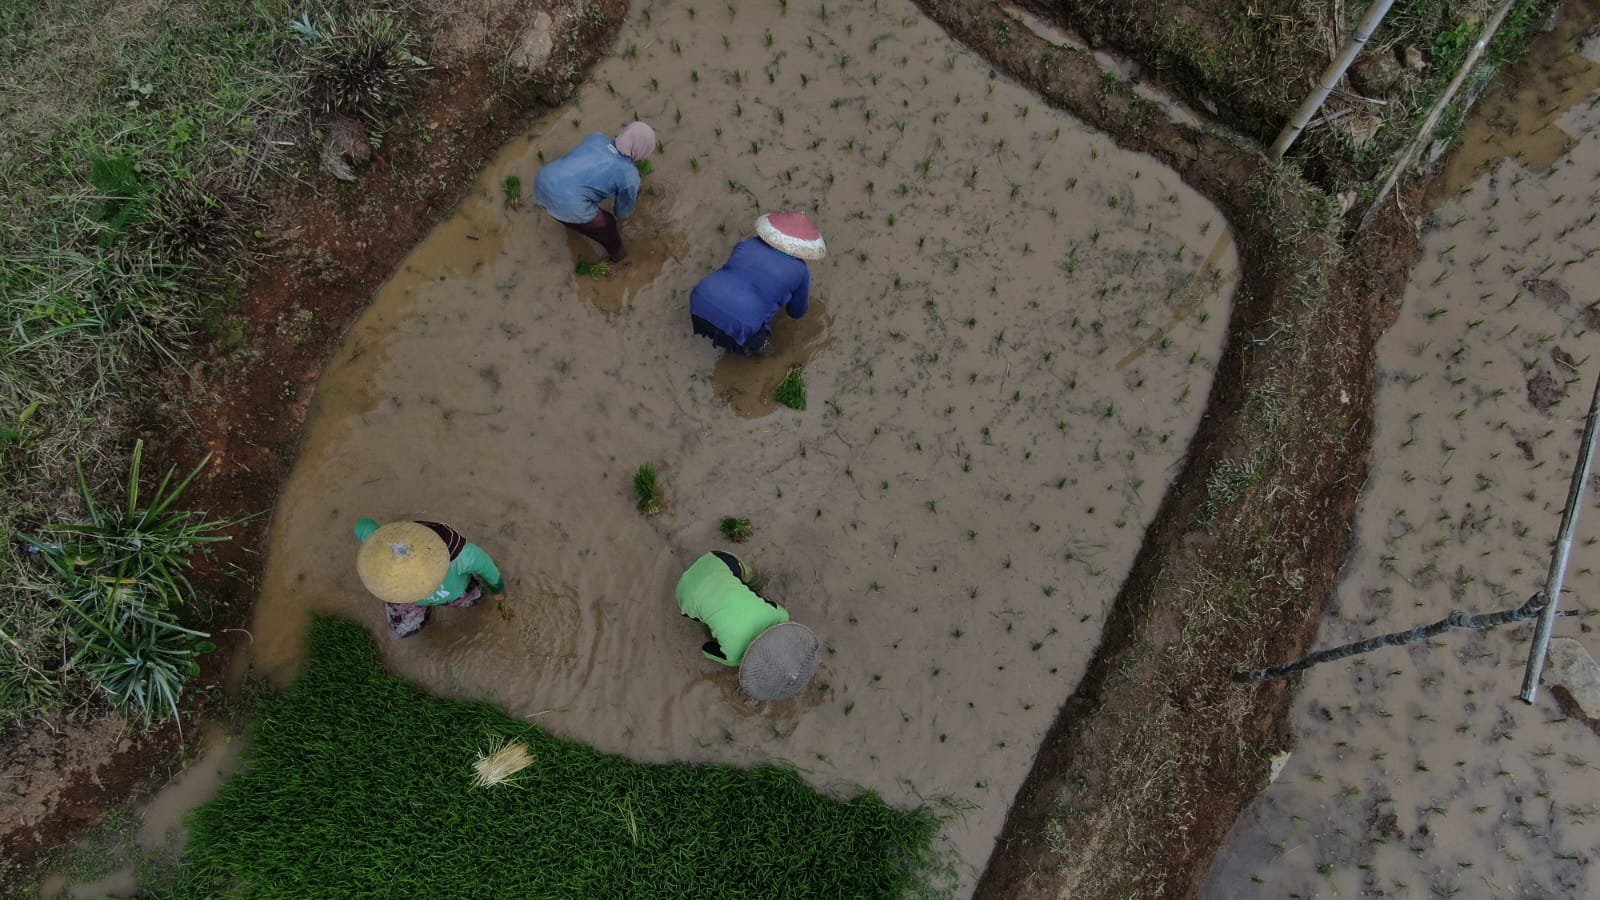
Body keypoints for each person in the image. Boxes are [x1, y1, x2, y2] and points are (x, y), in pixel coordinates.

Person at [676, 550, 819, 701]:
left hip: (717, 561)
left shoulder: (781, 616)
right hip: (684, 593)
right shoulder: (733, 657)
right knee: (706, 623)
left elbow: (768, 602)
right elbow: (706, 649)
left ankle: (756, 582)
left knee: (754, 580)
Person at [689, 211, 827, 356]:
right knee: (764, 348)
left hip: (701, 298)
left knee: (718, 326)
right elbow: (796, 313)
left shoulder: (748, 243)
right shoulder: (801, 270)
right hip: (743, 320)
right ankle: (761, 355)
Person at [354, 517, 505, 639]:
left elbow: (488, 568)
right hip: (406, 600)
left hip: (456, 592)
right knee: (402, 631)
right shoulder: (382, 544)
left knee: (478, 600)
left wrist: (498, 591)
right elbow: (363, 526)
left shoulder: (459, 555)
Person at [532, 121, 656, 263]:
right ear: (642, 150)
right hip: (567, 203)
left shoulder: (597, 137)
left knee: (570, 211)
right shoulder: (629, 174)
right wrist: (632, 196)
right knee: (607, 225)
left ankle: (572, 221)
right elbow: (622, 213)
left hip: (543, 180)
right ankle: (619, 258)